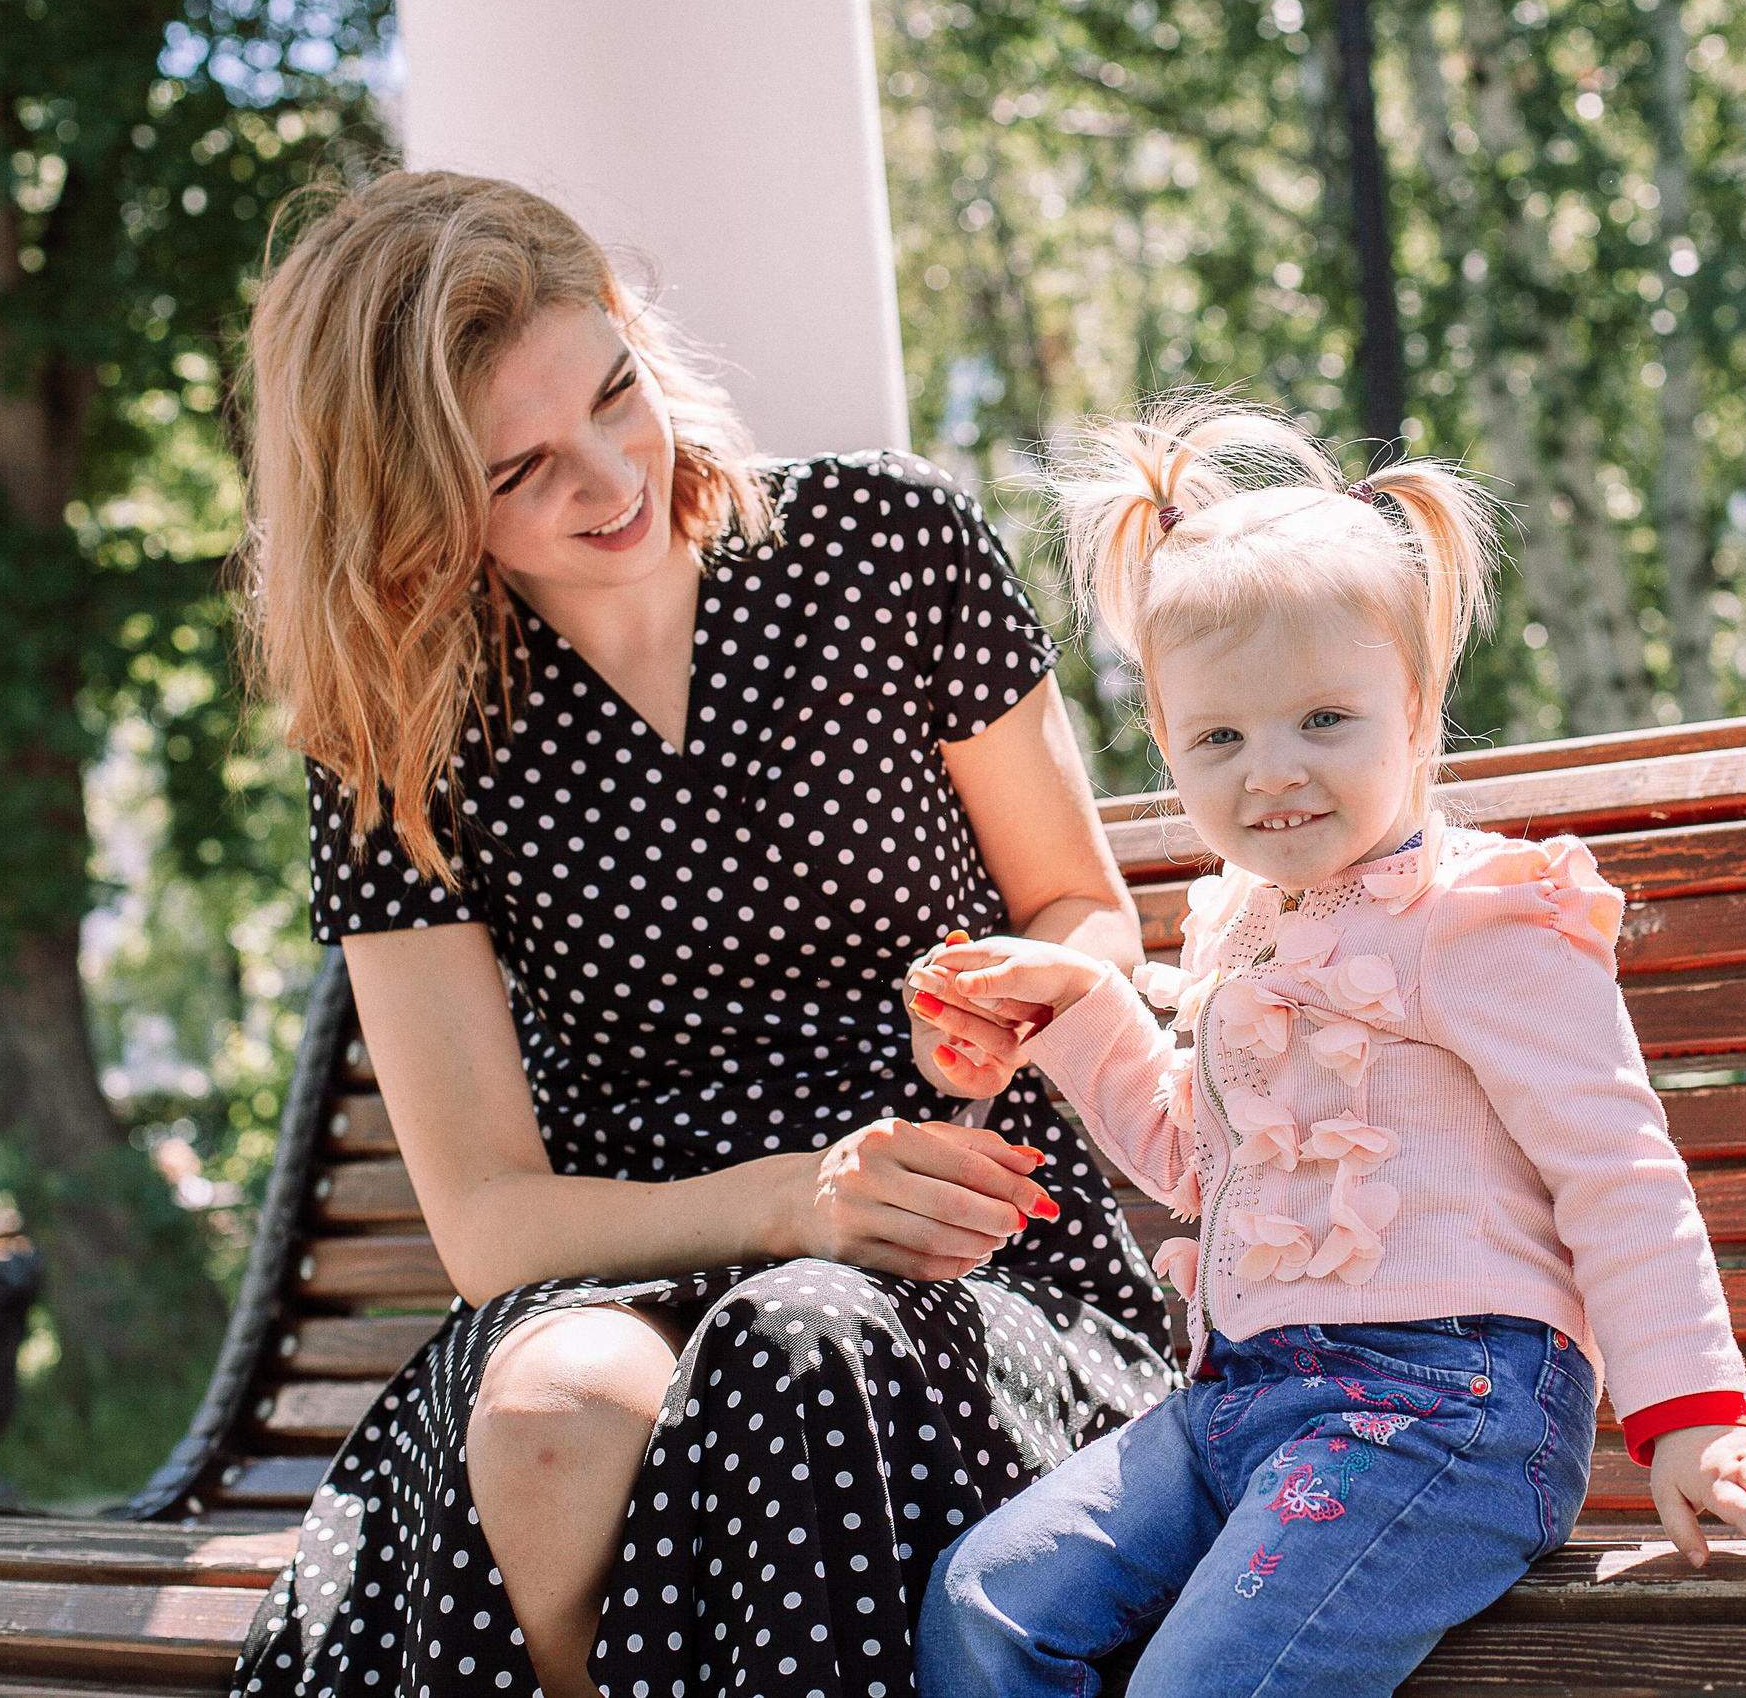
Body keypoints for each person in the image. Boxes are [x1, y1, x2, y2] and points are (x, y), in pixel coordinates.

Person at [230, 170, 1177, 1698]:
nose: (611, 476)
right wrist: (796, 1198)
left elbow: (1082, 907)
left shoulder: (884, 540)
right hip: (635, 1248)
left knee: (796, 1348)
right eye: (520, 469)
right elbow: (486, 1218)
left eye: (616, 390)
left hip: (976, 1237)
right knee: (552, 1415)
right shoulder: (397, 732)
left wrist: (1033, 991)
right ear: (410, 513)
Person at [910, 401, 1746, 1698]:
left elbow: (1618, 1170)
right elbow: (1196, 1156)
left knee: (1199, 1684)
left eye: (1324, 720)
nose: (1271, 772)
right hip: (1236, 1406)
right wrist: (1074, 1001)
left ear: (1417, 709)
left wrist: (1692, 1418)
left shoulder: (1482, 917)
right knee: (986, 1601)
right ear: (1169, 745)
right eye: (1219, 738)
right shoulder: (1246, 924)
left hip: (1444, 1417)